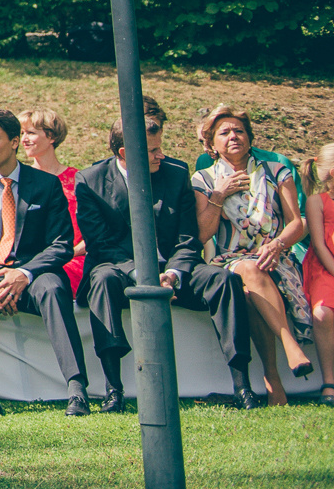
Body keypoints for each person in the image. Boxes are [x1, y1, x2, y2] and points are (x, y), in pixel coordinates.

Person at [78, 99, 254, 413]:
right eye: (153, 150)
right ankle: (113, 390)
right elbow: (102, 245)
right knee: (102, 279)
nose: (161, 154)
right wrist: (142, 274)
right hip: (122, 269)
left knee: (223, 280)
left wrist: (172, 274)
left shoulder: (175, 173)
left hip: (174, 268)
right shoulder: (90, 181)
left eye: (160, 147)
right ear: (125, 153)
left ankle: (242, 386)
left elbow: (187, 239)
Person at [0, 109, 89, 416]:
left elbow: (61, 244)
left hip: (35, 274)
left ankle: (77, 390)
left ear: (14, 142)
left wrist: (23, 273)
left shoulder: (47, 185)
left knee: (53, 290)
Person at [194, 107, 316, 398]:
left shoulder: (277, 171)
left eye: (239, 131)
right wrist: (219, 195)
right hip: (230, 259)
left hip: (276, 254)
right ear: (211, 144)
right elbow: (203, 234)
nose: (233, 136)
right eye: (224, 133)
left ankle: (273, 379)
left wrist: (277, 245)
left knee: (250, 294)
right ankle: (290, 344)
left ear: (249, 138)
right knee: (249, 268)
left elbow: (296, 222)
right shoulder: (204, 179)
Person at [19, 109, 84, 295]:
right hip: (28, 261)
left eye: (30, 133)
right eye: (22, 133)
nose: (24, 139)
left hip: (73, 258)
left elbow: (94, 231)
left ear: (52, 136)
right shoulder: (19, 179)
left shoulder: (79, 180)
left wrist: (68, 253)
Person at [303, 142, 334, 397]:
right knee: (323, 313)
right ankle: (329, 381)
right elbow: (320, 245)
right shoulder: (317, 201)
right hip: (326, 267)